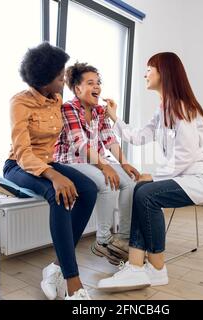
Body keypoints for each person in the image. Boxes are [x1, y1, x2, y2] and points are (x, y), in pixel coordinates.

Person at [97, 52, 203, 292]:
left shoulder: (181, 107)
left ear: (164, 72)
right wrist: (114, 116)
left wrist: (154, 176)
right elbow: (137, 137)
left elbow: (185, 154)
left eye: (149, 69)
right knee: (142, 189)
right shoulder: (163, 110)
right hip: (186, 176)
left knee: (147, 192)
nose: (145, 74)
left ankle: (155, 269)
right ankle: (137, 266)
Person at [3, 42, 95, 300]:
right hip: (19, 165)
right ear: (45, 81)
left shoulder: (56, 99)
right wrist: (54, 176)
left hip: (47, 162)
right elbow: (22, 153)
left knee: (88, 189)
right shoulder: (20, 103)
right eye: (60, 76)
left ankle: (56, 267)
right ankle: (72, 283)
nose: (64, 78)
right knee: (60, 195)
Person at [54, 62, 139, 265]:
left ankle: (122, 240)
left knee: (130, 181)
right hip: (71, 163)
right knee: (107, 181)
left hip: (95, 162)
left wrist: (124, 163)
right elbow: (81, 144)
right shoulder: (68, 109)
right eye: (90, 83)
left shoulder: (100, 111)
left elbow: (109, 138)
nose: (97, 87)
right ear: (77, 88)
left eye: (98, 83)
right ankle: (103, 240)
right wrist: (106, 166)